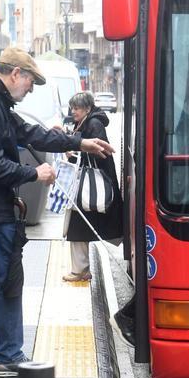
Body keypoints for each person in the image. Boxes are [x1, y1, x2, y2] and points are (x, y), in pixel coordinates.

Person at [0, 47, 113, 377]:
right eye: (31, 82)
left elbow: (27, 132)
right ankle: (7, 355)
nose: (30, 89)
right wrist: (34, 174)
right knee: (7, 279)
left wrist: (80, 143)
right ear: (15, 74)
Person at [62, 92, 124, 283]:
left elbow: (100, 153)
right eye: (72, 108)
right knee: (79, 224)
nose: (73, 112)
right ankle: (80, 269)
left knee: (78, 223)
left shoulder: (94, 124)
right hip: (88, 182)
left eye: (77, 108)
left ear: (87, 108)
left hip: (93, 184)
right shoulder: (84, 122)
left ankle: (80, 270)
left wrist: (75, 152)